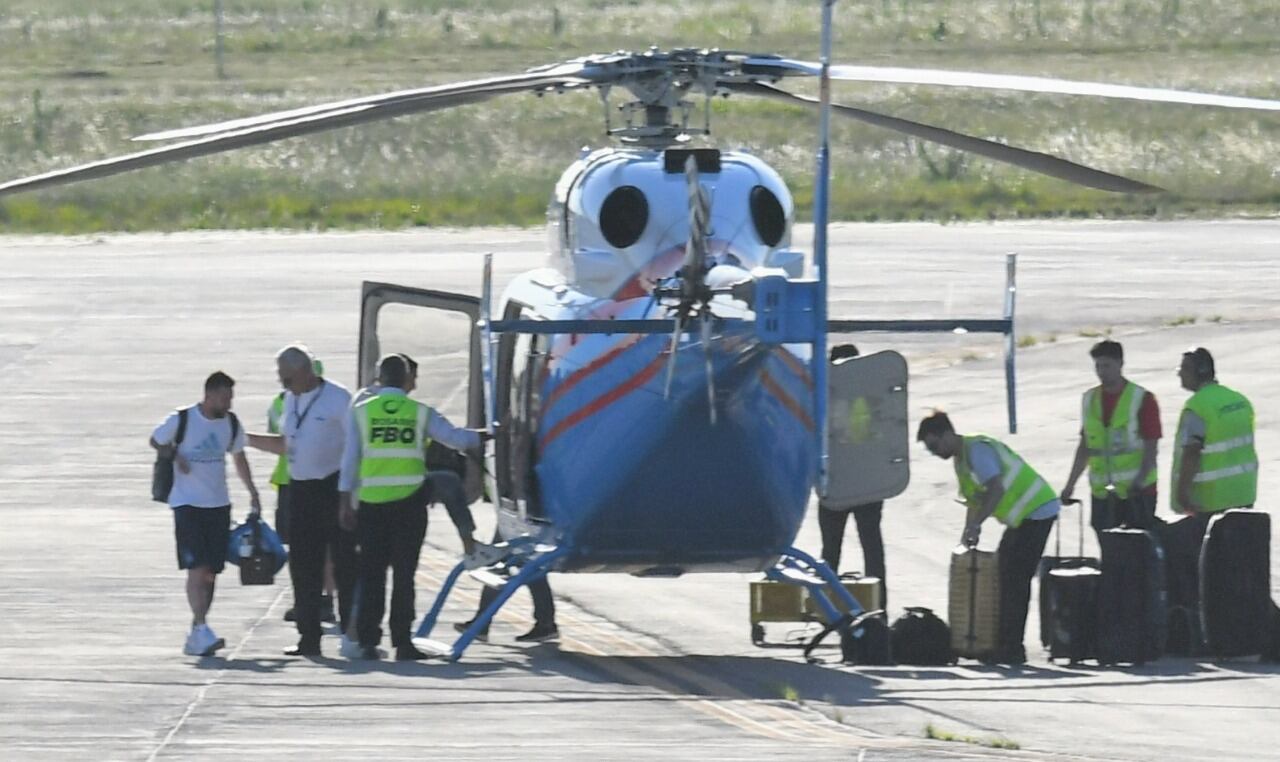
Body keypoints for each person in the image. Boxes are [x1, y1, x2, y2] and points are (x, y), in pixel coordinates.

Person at [339, 354, 490, 661]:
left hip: (371, 504)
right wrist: (488, 435)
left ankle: (368, 641)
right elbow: (455, 439)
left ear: (379, 379)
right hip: (409, 504)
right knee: (405, 575)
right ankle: (403, 642)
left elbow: (350, 460)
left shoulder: (361, 412)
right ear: (407, 379)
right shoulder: (419, 412)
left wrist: (345, 501)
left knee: (372, 575)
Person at [918, 411, 1059, 665]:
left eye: (934, 445)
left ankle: (1012, 648)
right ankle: (1004, 643)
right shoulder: (961, 460)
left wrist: (977, 525)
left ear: (947, 434)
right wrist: (968, 532)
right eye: (930, 449)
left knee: (1015, 579)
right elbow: (975, 500)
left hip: (1037, 510)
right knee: (1003, 574)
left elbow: (996, 488)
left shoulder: (977, 451)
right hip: (1023, 517)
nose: (934, 452)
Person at [248, 345, 354, 657]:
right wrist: (247, 439)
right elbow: (286, 446)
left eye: (288, 378)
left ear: (307, 372)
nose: (283, 384)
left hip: (334, 488)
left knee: (344, 564)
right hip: (301, 490)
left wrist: (349, 496)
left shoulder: (338, 398)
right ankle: (309, 637)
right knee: (302, 566)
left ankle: (352, 633)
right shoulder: (290, 401)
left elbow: (354, 448)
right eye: (281, 378)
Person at [150, 371, 260, 656]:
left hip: (218, 505)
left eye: (231, 397)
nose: (229, 403)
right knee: (196, 568)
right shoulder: (183, 418)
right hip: (187, 504)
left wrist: (253, 492)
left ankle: (199, 630)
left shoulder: (231, 423)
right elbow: (156, 439)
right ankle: (200, 627)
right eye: (224, 397)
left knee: (211, 572)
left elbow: (239, 457)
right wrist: (176, 456)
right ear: (208, 395)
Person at [1165, 348, 1259, 606]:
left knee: (1208, 572)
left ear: (1200, 373)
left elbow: (1192, 454)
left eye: (1183, 370)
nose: (1179, 375)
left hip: (1209, 502)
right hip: (1243, 495)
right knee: (1239, 568)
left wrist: (1182, 495)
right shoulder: (1239, 400)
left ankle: (1209, 630)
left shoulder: (1197, 408)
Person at [1060, 340, 1161, 541]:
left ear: (1120, 364)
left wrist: (1140, 481)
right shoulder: (1090, 400)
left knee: (1137, 550)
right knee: (1108, 550)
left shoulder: (1142, 399)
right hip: (1103, 494)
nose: (1101, 372)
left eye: (1106, 366)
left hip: (1138, 493)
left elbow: (1151, 447)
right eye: (1097, 366)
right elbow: (1085, 447)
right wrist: (1070, 484)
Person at [817, 344, 888, 606]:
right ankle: (878, 608)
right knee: (871, 550)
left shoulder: (824, 398)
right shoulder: (871, 397)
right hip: (867, 483)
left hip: (836, 482)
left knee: (830, 553)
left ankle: (825, 607)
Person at [270, 358, 337, 625]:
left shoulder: (335, 399)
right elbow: (283, 441)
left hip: (326, 482)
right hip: (292, 481)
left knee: (328, 550)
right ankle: (307, 605)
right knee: (299, 552)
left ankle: (327, 600)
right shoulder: (284, 401)